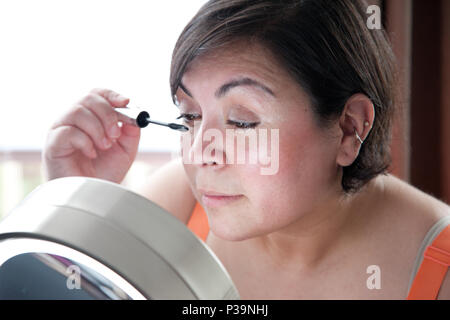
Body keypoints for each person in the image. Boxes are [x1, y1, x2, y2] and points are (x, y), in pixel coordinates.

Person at [42, 0, 450, 299]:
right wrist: (77, 204)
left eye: (241, 122)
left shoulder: (438, 271)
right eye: (190, 115)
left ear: (348, 129)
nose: (201, 154)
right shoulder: (183, 204)